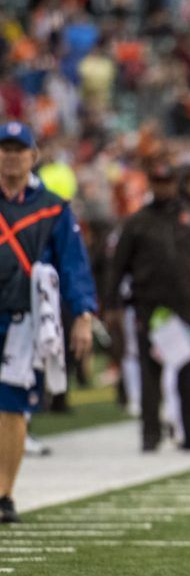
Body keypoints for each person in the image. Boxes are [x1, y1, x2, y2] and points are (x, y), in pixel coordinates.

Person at [0, 121, 96, 523]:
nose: (11, 156)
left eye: (18, 149)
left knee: (11, 405)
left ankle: (4, 493)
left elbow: (74, 266)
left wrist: (83, 315)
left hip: (23, 319)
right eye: (5, 149)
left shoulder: (53, 207)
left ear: (32, 156)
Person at [106, 156, 190, 452]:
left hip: (189, 306)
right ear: (152, 184)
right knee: (150, 374)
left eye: (168, 182)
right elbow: (117, 266)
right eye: (158, 182)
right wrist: (111, 306)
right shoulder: (137, 222)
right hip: (151, 307)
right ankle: (150, 435)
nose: (163, 188)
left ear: (175, 184)